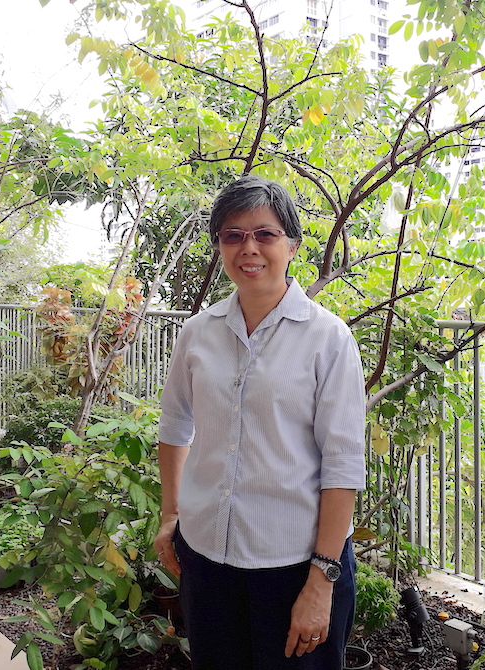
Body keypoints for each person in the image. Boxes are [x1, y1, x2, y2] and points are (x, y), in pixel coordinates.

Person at [153, 175, 367, 670]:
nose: (248, 248)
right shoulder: (197, 334)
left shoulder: (327, 339)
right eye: (233, 235)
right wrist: (171, 514)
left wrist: (322, 580)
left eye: (264, 234)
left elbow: (342, 465)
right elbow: (175, 426)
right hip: (206, 561)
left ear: (291, 244)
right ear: (220, 246)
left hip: (295, 567)